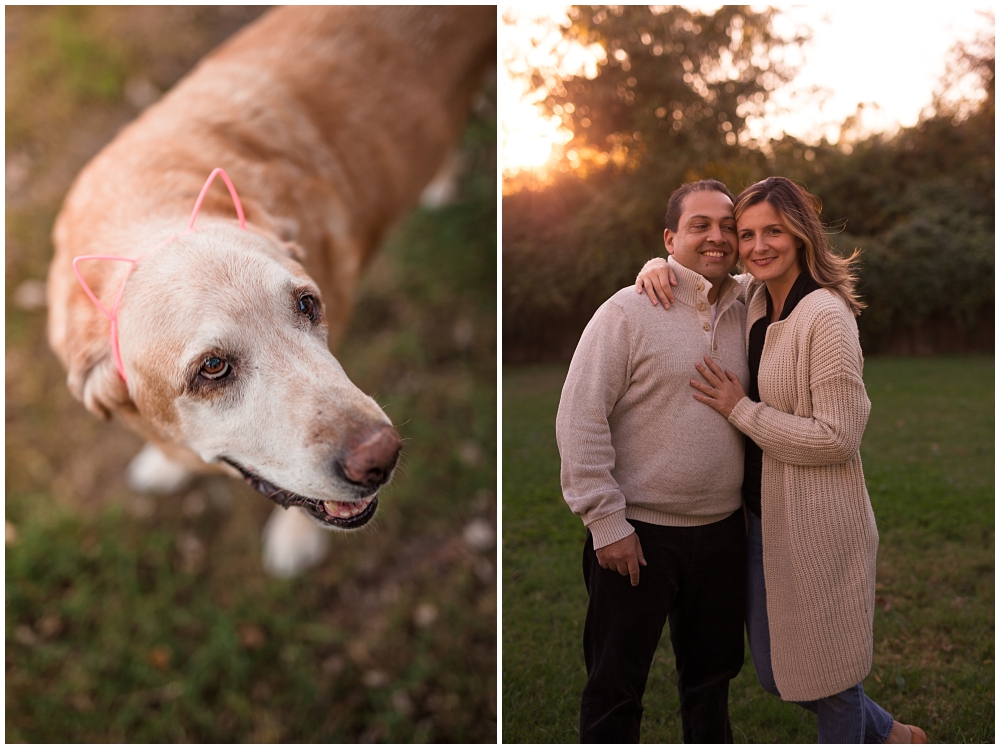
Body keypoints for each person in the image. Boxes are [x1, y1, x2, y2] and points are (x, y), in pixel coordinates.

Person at [635, 176, 926, 744]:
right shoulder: (755, 298)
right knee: (776, 673)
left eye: (774, 231)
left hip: (821, 521)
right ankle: (892, 733)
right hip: (762, 520)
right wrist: (656, 262)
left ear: (801, 234)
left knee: (831, 678)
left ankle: (872, 733)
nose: (758, 245)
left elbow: (839, 438)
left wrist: (740, 410)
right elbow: (701, 274)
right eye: (747, 234)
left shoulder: (826, 316)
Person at [556, 180, 749, 743]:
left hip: (721, 534)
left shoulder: (749, 306)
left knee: (711, 685)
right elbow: (579, 417)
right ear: (670, 238)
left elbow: (783, 261)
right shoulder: (627, 310)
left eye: (727, 226)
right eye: (700, 226)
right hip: (637, 536)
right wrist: (605, 523)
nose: (717, 237)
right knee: (616, 688)